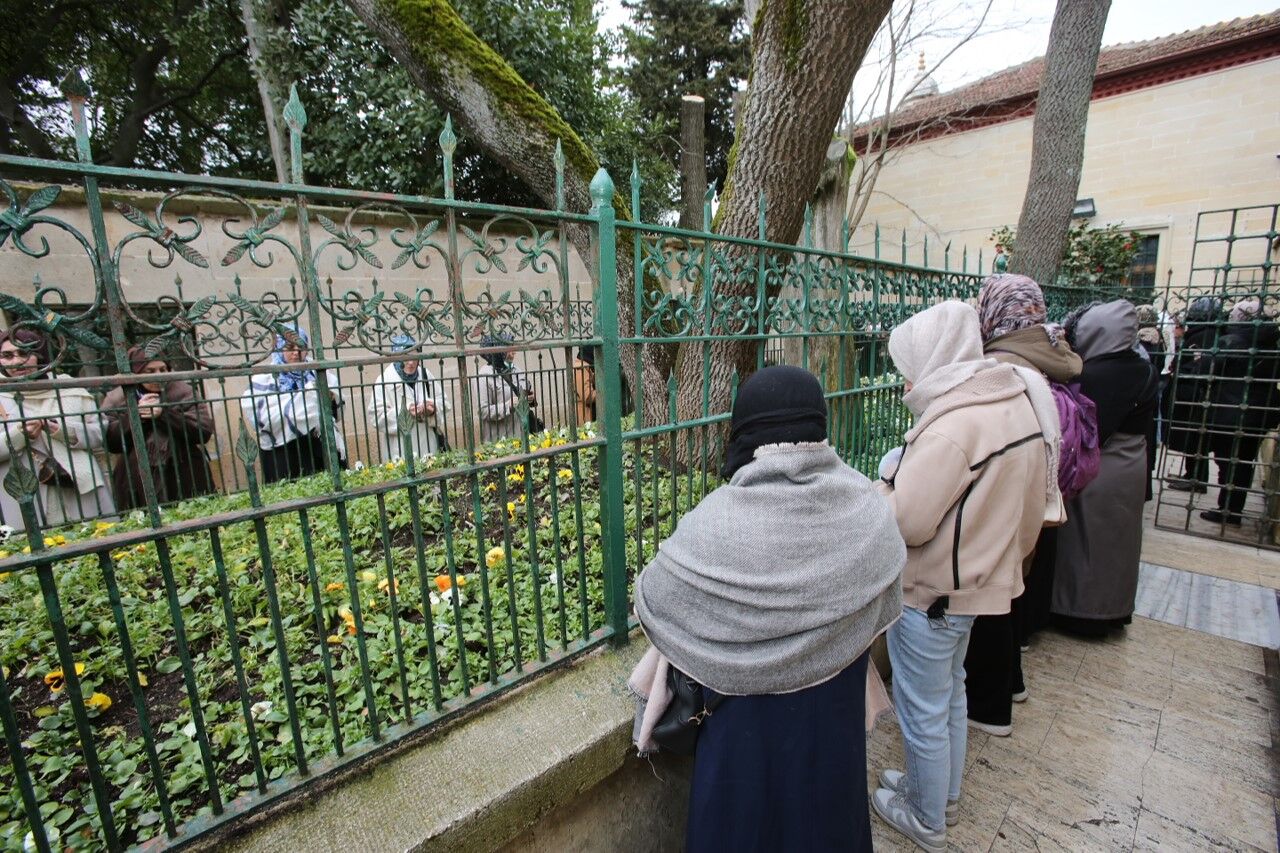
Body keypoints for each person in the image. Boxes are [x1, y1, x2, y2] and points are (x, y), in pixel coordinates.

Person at [631, 365, 904, 853]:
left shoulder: (713, 525)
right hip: (833, 728)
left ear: (745, 430)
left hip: (741, 746)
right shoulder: (867, 510)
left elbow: (654, 597)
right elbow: (884, 597)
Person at [872, 302, 1049, 852]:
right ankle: (940, 795)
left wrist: (886, 480)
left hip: (931, 592)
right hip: (973, 585)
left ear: (935, 355)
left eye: (908, 366)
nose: (905, 380)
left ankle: (925, 817)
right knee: (950, 695)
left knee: (922, 708)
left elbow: (908, 521)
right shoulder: (1010, 402)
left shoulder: (954, 425)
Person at [965, 275, 1076, 737]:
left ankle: (989, 708)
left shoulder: (1005, 365)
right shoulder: (1049, 350)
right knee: (1009, 592)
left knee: (989, 600)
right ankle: (1012, 683)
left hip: (1005, 494)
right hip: (1035, 493)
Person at [1053, 301, 1157, 635]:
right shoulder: (1143, 366)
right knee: (1118, 544)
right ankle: (1114, 610)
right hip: (1132, 464)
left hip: (1098, 467)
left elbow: (1084, 428)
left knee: (1084, 541)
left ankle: (1079, 611)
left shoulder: (1094, 374)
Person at [0, 328, 114, 530]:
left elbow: (99, 432)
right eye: (7, 356)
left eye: (24, 353)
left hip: (77, 485)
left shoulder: (69, 388)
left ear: (39, 355)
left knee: (96, 538)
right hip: (24, 493)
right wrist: (19, 435)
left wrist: (61, 430)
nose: (16, 361)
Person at [1197, 298, 1280, 525]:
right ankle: (1233, 509)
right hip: (1260, 413)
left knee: (1226, 460)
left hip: (1229, 411)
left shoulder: (1231, 341)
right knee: (1243, 460)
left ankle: (1227, 509)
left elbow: (1205, 371)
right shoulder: (1272, 345)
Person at [102, 346, 216, 510]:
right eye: (149, 371)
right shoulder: (117, 397)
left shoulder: (183, 391)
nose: (158, 376)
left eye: (163, 369)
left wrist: (164, 414)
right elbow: (111, 442)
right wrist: (137, 415)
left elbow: (203, 431)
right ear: (135, 373)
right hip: (135, 477)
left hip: (185, 471)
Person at [241, 325, 347, 484]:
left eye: (301, 347)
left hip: (316, 448)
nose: (296, 352)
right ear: (279, 348)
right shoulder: (264, 379)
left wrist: (330, 399)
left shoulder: (318, 372)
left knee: (326, 487)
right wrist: (303, 404)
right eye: (290, 347)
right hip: (282, 453)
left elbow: (333, 411)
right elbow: (262, 418)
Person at [1167, 297, 1223, 491]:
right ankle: (1192, 475)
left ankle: (1196, 479)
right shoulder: (1206, 333)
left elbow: (1198, 365)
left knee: (1195, 439)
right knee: (1192, 438)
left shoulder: (1205, 336)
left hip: (1196, 395)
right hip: (1194, 394)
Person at [369, 335, 449, 461]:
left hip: (428, 443)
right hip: (399, 448)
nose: (411, 363)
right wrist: (405, 411)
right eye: (405, 357)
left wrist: (433, 409)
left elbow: (444, 402)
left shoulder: (425, 374)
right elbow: (377, 417)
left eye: (414, 357)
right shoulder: (384, 380)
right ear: (396, 357)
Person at [476, 334, 537, 442]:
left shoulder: (517, 370)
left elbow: (522, 394)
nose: (514, 351)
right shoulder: (484, 375)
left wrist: (530, 399)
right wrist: (507, 406)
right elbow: (483, 411)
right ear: (498, 350)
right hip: (500, 440)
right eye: (509, 347)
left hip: (521, 435)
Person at [572, 346, 597, 425]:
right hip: (588, 416)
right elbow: (587, 395)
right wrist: (606, 392)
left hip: (594, 413)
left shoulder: (589, 365)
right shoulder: (580, 367)